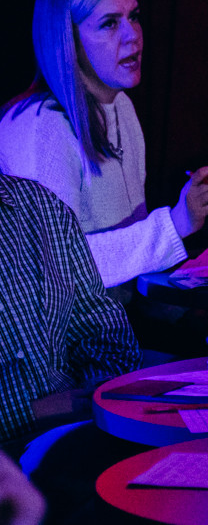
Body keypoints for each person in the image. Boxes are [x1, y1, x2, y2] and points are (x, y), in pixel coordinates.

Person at [0, 0, 208, 296]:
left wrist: (182, 313)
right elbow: (54, 265)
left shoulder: (121, 107)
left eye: (134, 17)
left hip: (117, 323)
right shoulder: (39, 126)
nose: (133, 35)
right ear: (69, 40)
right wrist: (176, 223)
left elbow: (128, 270)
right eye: (110, 23)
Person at [0, 172, 138, 445]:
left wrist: (99, 389)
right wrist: (29, 412)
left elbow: (98, 326)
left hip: (77, 425)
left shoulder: (39, 204)